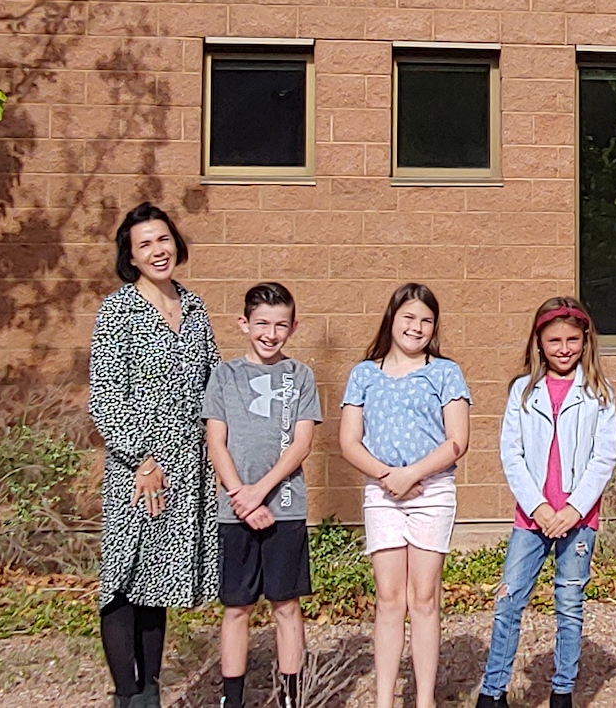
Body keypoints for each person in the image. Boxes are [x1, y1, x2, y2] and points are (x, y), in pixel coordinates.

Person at [89, 202, 219, 708]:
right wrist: (142, 459)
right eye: (144, 244)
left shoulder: (196, 308)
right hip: (137, 469)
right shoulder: (117, 310)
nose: (157, 251)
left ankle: (152, 691)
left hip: (188, 465)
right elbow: (105, 398)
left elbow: (212, 386)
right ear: (131, 255)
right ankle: (127, 694)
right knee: (124, 580)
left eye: (162, 240)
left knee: (157, 582)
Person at [476, 297, 616, 708]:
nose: (563, 348)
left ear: (585, 340)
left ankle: (562, 691)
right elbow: (512, 453)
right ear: (538, 342)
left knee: (569, 605)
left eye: (572, 339)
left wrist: (573, 509)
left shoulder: (598, 393)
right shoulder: (523, 391)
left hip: (577, 520)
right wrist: (539, 507)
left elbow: (603, 456)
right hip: (531, 518)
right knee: (508, 600)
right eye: (553, 340)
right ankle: (493, 691)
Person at [338, 283, 473, 708]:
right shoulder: (364, 373)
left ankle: (425, 698)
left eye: (426, 320)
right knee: (390, 598)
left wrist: (413, 474)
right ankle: (385, 699)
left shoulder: (445, 372)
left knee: (425, 597)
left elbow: (458, 439)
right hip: (382, 495)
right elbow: (349, 441)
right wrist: (387, 476)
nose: (416, 327)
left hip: (432, 493)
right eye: (409, 317)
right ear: (392, 318)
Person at [203, 282, 323, 708]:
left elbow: (301, 444)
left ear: (293, 327)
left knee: (286, 605)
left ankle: (291, 697)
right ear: (244, 324)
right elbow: (216, 442)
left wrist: (261, 492)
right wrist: (240, 495)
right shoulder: (224, 375)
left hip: (285, 508)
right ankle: (231, 699)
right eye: (261, 324)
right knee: (236, 608)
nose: (270, 334)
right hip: (234, 511)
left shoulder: (301, 376)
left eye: (280, 325)